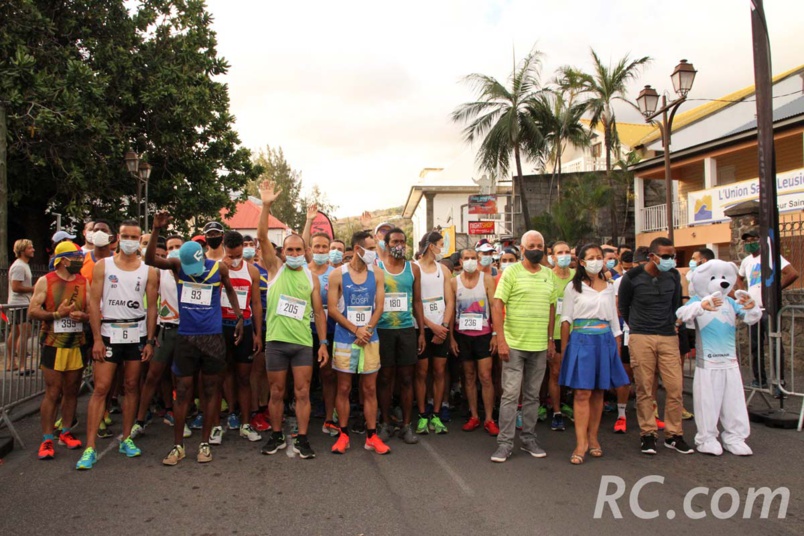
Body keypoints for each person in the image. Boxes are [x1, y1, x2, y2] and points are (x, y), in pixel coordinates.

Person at [144, 211, 244, 465]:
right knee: (183, 390)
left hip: (212, 338)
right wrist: (156, 229)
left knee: (211, 391)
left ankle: (205, 443)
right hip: (186, 338)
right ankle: (177, 446)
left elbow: (231, 292)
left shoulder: (218, 268)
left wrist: (239, 317)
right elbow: (149, 260)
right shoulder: (179, 266)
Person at [76, 220, 158, 470]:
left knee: (132, 386)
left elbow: (152, 307)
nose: (130, 240)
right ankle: (89, 447)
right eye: (126, 236)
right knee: (101, 388)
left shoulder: (148, 270)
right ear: (117, 238)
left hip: (136, 333)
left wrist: (150, 340)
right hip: (110, 332)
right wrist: (97, 338)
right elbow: (94, 302)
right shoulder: (104, 266)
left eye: (135, 236)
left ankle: (127, 439)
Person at [256, 181, 329, 459]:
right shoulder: (274, 268)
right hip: (276, 342)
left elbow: (319, 312)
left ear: (305, 252)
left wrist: (322, 343)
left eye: (300, 250)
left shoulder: (310, 276)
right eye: (291, 250)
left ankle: (302, 438)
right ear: (282, 252)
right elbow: (262, 236)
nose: (295, 254)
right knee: (276, 392)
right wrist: (265, 205)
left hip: (302, 345)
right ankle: (275, 435)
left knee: (302, 392)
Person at [618, 237, 693, 456]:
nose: (670, 260)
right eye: (666, 256)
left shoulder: (672, 276)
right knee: (644, 387)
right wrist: (638, 327)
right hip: (641, 336)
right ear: (652, 256)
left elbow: (675, 304)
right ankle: (648, 434)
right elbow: (623, 306)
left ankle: (674, 435)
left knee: (674, 387)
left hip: (668, 336)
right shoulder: (631, 277)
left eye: (673, 256)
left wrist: (673, 326)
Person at [559, 244, 629, 465]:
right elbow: (566, 319)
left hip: (605, 340)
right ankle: (580, 443)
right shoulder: (573, 287)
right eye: (591, 257)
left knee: (599, 391)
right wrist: (564, 350)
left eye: (599, 257)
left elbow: (614, 320)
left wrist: (617, 344)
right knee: (582, 393)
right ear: (581, 261)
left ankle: (594, 438)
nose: (597, 261)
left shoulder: (609, 286)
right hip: (581, 340)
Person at [491, 231, 557, 463]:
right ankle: (505, 443)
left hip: (539, 345)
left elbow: (551, 308)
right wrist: (501, 340)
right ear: (522, 247)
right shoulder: (511, 273)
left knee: (532, 396)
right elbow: (497, 307)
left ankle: (529, 438)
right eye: (532, 245)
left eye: (540, 245)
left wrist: (550, 340)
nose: (536, 249)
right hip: (514, 344)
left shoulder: (549, 275)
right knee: (510, 395)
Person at [327, 230, 390, 455]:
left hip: (370, 339)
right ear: (357, 249)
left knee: (370, 388)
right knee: (343, 387)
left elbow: (380, 306)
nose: (374, 253)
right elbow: (333, 309)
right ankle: (343, 434)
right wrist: (355, 329)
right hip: (345, 338)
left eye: (375, 248)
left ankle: (371, 436)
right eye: (371, 249)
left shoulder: (378, 274)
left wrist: (367, 330)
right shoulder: (337, 274)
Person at [28, 242, 88, 459]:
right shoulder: (46, 280)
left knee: (72, 390)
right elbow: (32, 310)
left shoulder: (83, 282)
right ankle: (46, 439)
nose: (80, 261)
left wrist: (85, 317)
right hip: (53, 343)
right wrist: (56, 315)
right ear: (63, 259)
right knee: (53, 391)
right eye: (76, 257)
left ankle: (66, 432)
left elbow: (91, 311)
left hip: (76, 343)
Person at [131, 235, 188, 440]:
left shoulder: (191, 271)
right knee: (153, 376)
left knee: (182, 379)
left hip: (187, 332)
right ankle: (139, 420)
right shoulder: (158, 272)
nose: (174, 250)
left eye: (178, 247)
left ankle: (183, 416)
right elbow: (153, 304)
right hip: (166, 330)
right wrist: (151, 335)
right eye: (170, 247)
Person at [376, 228, 426, 444]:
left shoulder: (413, 269)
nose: (399, 245)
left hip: (406, 329)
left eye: (402, 242)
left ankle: (406, 425)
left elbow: (417, 302)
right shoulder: (377, 268)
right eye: (395, 241)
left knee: (407, 378)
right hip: (383, 329)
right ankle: (385, 423)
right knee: (385, 378)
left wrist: (421, 331)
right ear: (386, 244)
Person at [213, 231, 264, 444]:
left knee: (244, 377)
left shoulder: (251, 270)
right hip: (220, 327)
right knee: (217, 378)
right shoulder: (214, 268)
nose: (234, 260)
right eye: (231, 256)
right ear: (223, 248)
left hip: (245, 326)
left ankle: (245, 423)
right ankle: (215, 425)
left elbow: (256, 304)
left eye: (238, 256)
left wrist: (258, 334)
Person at [737, 229, 799, 392]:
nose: (750, 243)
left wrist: (775, 290)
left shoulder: (772, 257)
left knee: (774, 345)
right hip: (753, 309)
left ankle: (779, 383)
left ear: (761, 241)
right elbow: (739, 277)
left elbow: (792, 273)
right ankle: (759, 379)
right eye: (747, 241)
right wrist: (743, 293)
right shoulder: (746, 261)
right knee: (755, 346)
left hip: (768, 309)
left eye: (753, 240)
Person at [450, 248, 498, 435]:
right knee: (468, 377)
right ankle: (474, 416)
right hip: (462, 335)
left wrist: (495, 334)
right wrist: (452, 338)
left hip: (484, 334)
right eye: (466, 258)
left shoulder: (486, 279)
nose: (470, 261)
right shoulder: (454, 282)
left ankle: (489, 418)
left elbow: (494, 306)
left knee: (485, 376)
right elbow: (451, 309)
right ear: (460, 262)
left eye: (473, 258)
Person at [302, 204, 339, 436]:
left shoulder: (337, 272)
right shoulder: (304, 270)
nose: (321, 249)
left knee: (328, 374)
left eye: (325, 246)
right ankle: (301, 415)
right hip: (305, 329)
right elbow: (302, 242)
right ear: (311, 249)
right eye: (317, 246)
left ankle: (329, 416)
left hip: (332, 330)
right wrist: (309, 221)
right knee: (304, 375)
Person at [414, 231, 455, 435]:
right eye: (440, 244)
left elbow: (450, 301)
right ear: (431, 246)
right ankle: (422, 415)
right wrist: (430, 325)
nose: (442, 248)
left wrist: (444, 326)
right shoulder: (414, 269)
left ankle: (436, 415)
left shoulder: (444, 271)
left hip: (441, 330)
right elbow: (416, 303)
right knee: (421, 373)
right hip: (421, 329)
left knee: (439, 372)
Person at [243, 235, 271, 432]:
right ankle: (254, 411)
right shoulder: (245, 271)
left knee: (268, 370)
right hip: (252, 325)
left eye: (250, 245)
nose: (248, 248)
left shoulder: (272, 271)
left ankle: (265, 407)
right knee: (255, 370)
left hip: (274, 325)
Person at [549, 241, 575, 431]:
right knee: (556, 372)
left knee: (575, 371)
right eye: (560, 252)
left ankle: (573, 406)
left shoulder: (577, 276)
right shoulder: (547, 277)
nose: (564, 255)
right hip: (556, 332)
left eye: (567, 252)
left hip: (578, 331)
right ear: (553, 256)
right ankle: (556, 411)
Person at [6, 239, 35, 373]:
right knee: (25, 333)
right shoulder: (19, 266)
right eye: (30, 248)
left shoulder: (23, 265)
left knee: (15, 333)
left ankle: (11, 363)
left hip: (17, 304)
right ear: (23, 251)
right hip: (20, 304)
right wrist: (33, 289)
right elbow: (16, 287)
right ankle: (22, 365)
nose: (33, 250)